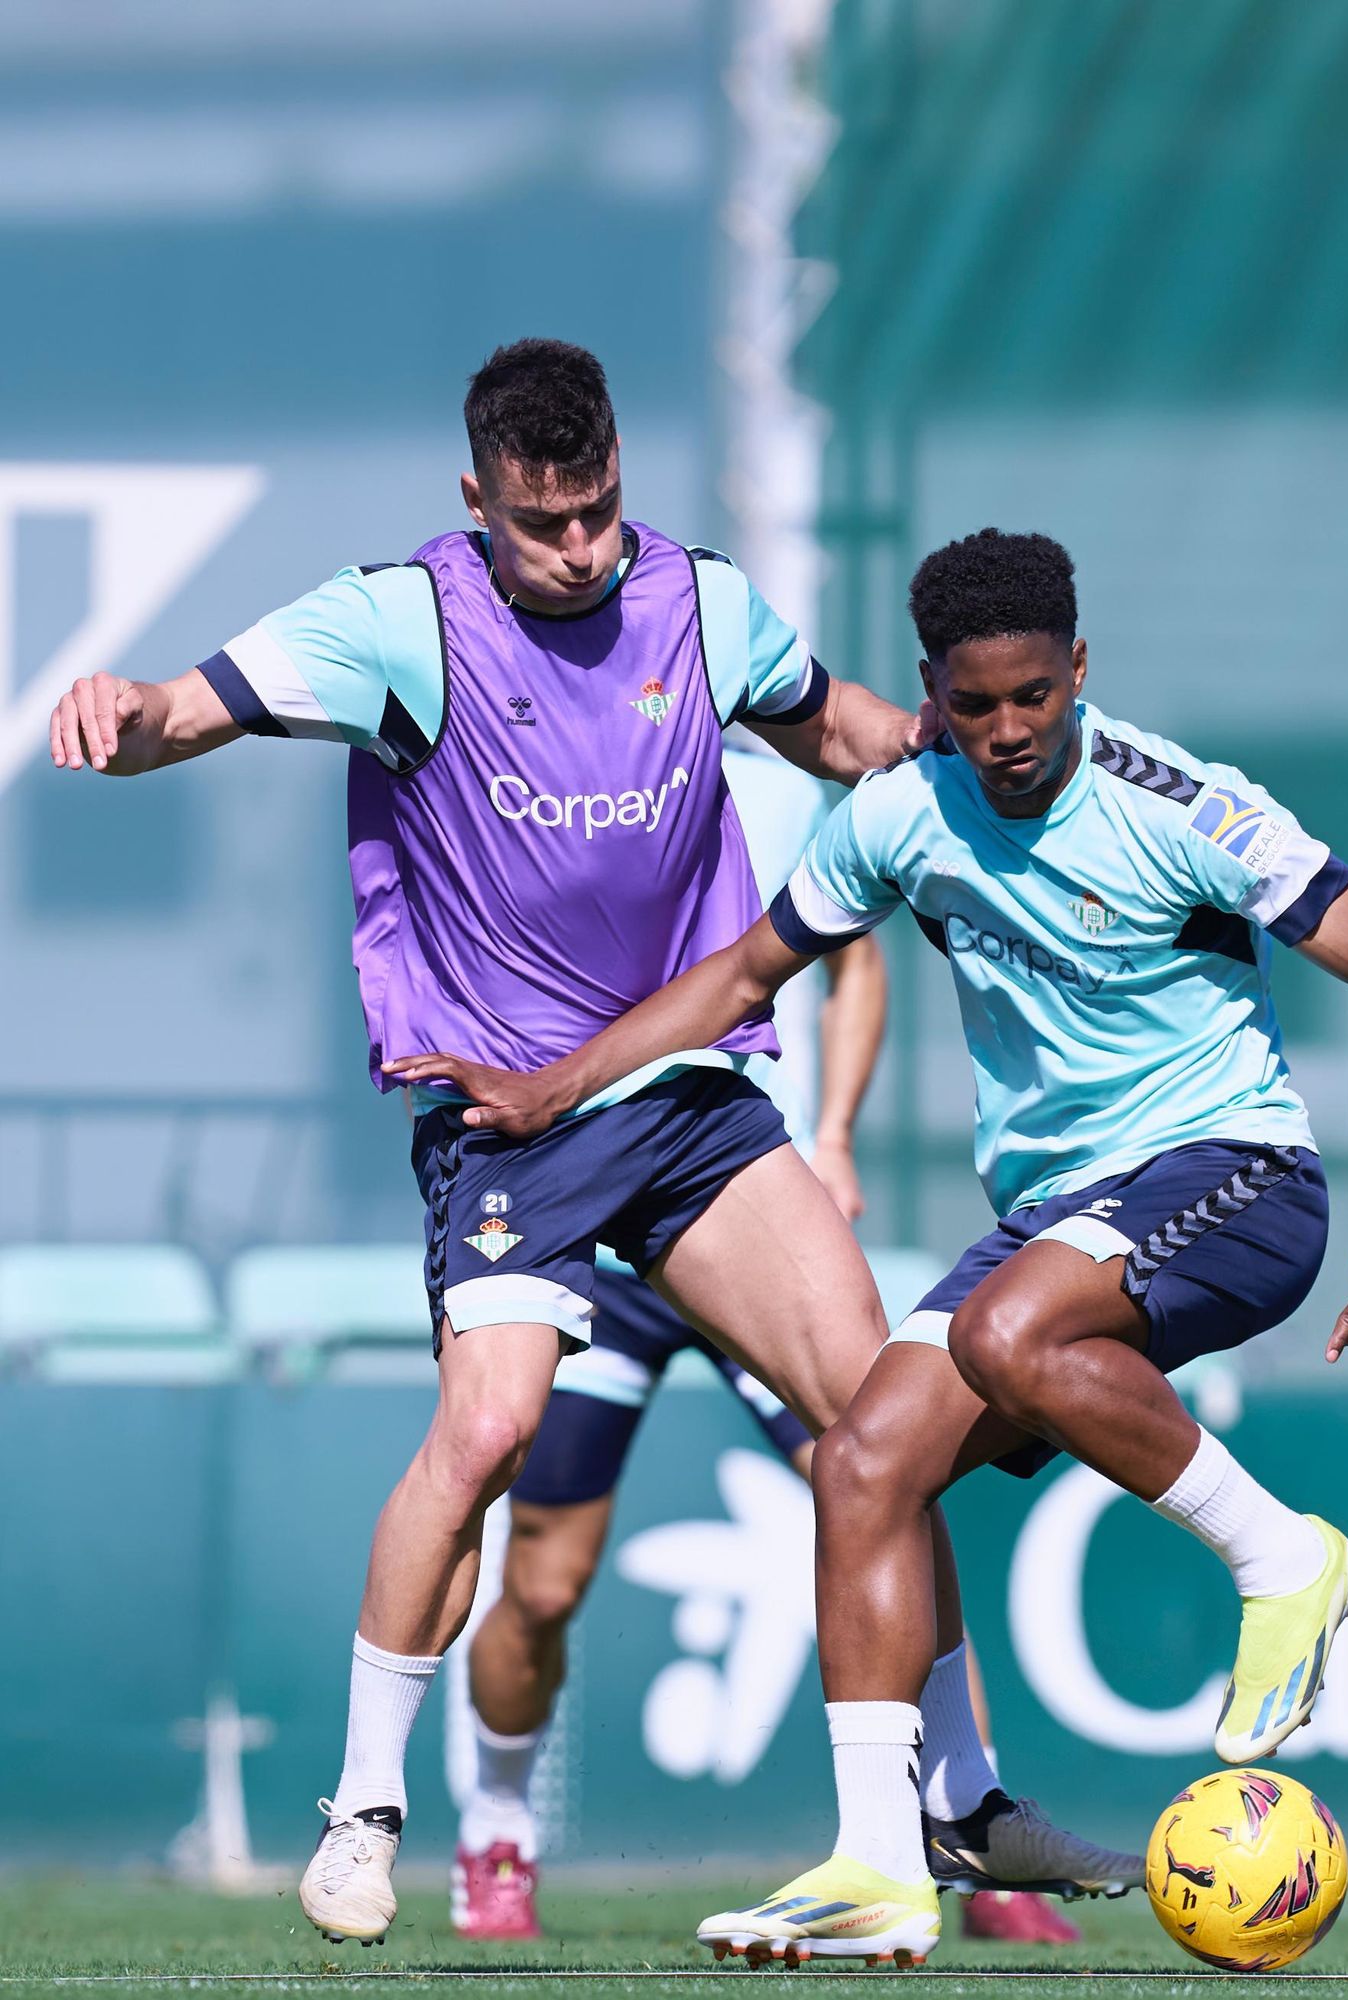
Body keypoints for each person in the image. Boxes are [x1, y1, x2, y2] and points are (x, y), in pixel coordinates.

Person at [46, 347, 1129, 1952]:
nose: (583, 547)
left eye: (602, 506)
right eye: (546, 522)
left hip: (689, 1101)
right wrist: (118, 710)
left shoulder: (698, 602)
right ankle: (364, 1810)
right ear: (476, 503)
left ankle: (959, 1799)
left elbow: (840, 730)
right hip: (503, 1117)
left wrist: (979, 746)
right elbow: (180, 713)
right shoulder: (396, 621)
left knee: (882, 1425)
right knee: (486, 1439)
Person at [387, 527, 1348, 1968]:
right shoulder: (904, 816)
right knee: (864, 1458)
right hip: (1057, 1216)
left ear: (1080, 670)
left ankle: (1284, 1564)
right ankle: (882, 1868)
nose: (1010, 732)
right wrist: (560, 1082)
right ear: (932, 694)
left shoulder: (1187, 807)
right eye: (976, 704)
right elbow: (740, 977)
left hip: (1237, 1175)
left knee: (1004, 1340)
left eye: (1036, 696)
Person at [448, 740, 1082, 1950]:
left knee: (885, 1476)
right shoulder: (549, 770)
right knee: (544, 1575)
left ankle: (965, 1820)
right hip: (596, 1226)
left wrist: (833, 1134)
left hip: (733, 1205)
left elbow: (856, 971)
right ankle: (498, 1828)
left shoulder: (790, 793)